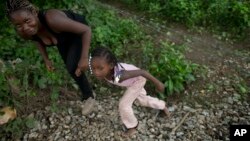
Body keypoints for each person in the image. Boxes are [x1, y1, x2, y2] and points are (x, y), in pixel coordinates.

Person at [5, 0, 95, 115]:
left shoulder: (52, 19)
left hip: (78, 32)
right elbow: (36, 40)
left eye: (27, 20)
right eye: (18, 25)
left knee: (72, 66)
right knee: (71, 68)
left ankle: (89, 96)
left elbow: (86, 30)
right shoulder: (24, 32)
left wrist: (84, 58)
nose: (25, 27)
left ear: (35, 12)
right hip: (62, 39)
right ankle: (87, 92)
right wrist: (46, 59)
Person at [89, 47, 171, 137]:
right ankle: (162, 106)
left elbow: (142, 72)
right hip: (131, 82)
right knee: (143, 100)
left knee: (124, 104)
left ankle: (132, 126)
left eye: (100, 68)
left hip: (137, 81)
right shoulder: (101, 69)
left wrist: (158, 83)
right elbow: (89, 63)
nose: (96, 72)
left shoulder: (119, 75)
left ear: (111, 65)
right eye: (93, 68)